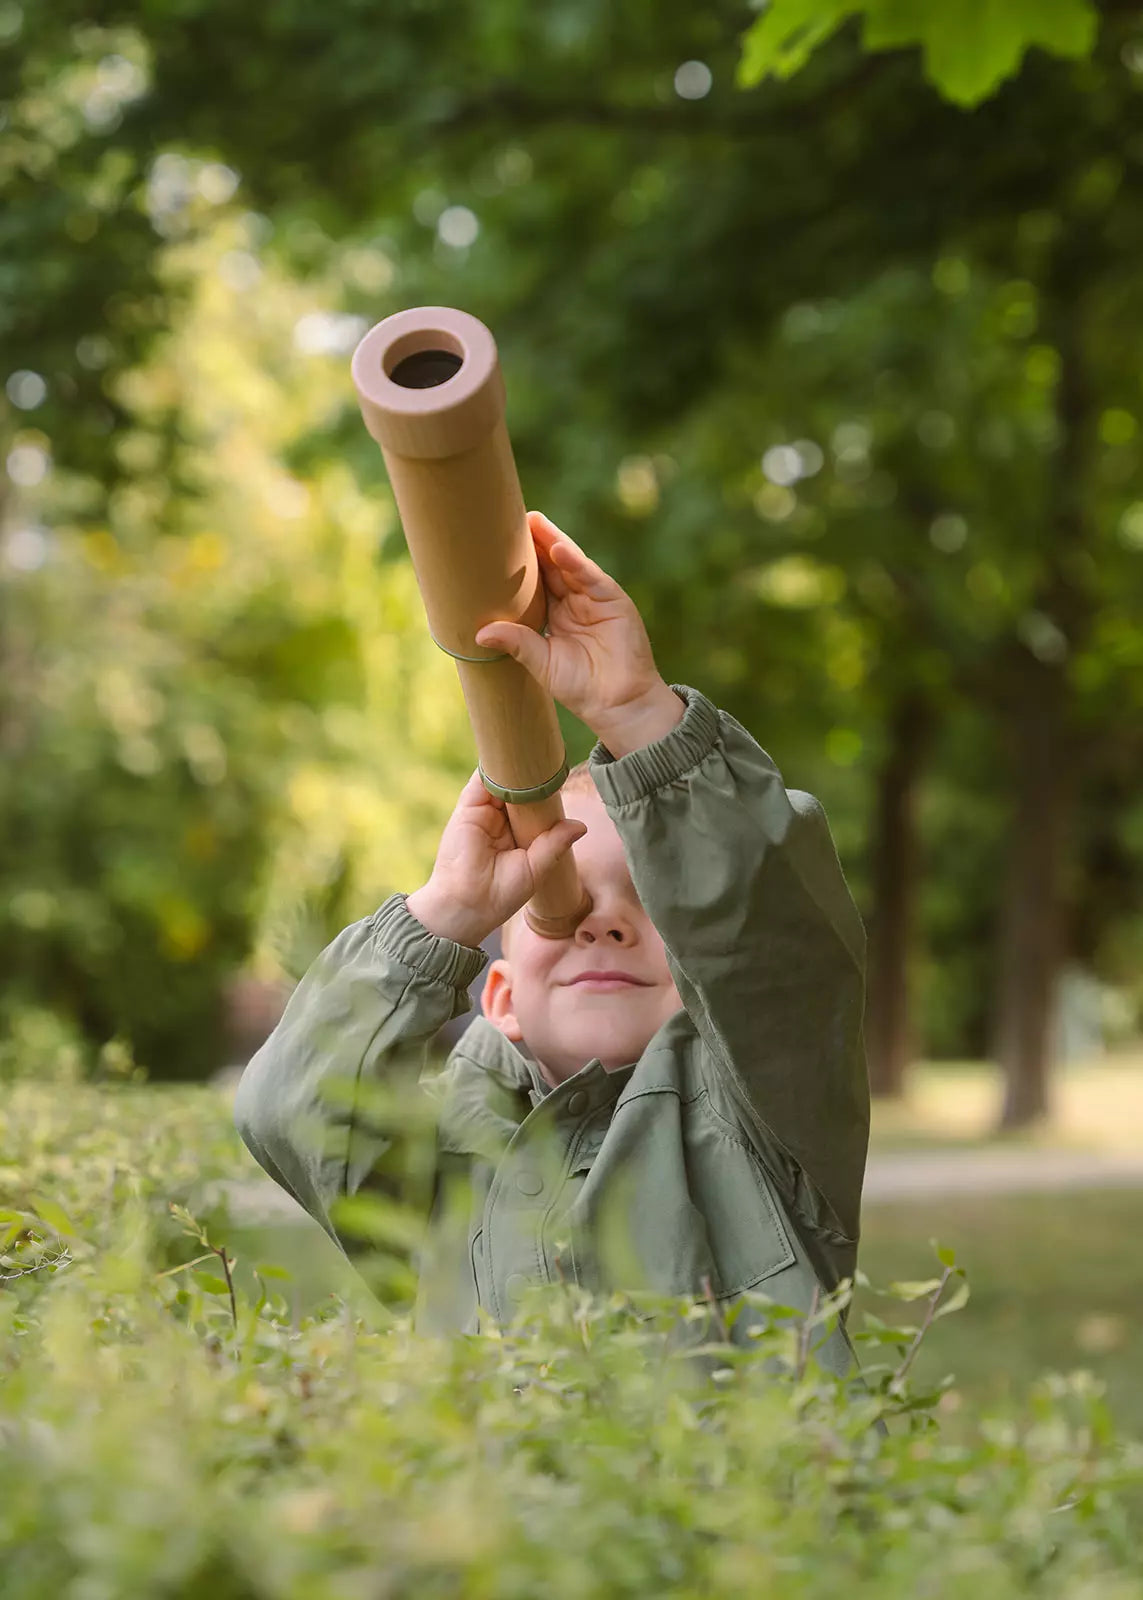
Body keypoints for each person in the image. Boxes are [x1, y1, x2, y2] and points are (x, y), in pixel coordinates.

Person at [233, 511, 868, 1371]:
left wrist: (638, 714)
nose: (603, 921)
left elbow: (771, 935)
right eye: (557, 908)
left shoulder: (769, 1115)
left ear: (709, 972)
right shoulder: (446, 1179)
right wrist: (446, 912)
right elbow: (289, 1111)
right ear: (499, 1002)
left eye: (651, 904)